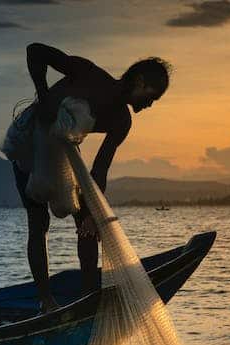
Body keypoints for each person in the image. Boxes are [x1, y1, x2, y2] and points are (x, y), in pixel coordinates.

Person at [11, 42, 171, 313]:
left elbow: (100, 169)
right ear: (140, 81)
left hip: (62, 151)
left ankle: (88, 297)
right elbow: (35, 50)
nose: (150, 104)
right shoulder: (88, 74)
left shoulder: (122, 121)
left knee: (88, 216)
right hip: (31, 142)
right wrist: (44, 95)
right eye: (152, 96)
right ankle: (46, 300)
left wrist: (92, 215)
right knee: (38, 221)